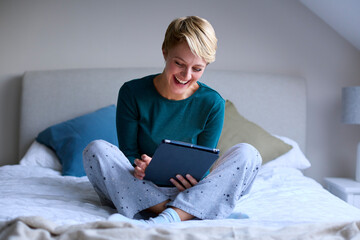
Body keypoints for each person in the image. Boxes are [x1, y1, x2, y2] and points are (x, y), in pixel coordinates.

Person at [83, 16, 262, 225]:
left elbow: (204, 163)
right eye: (179, 63)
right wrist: (143, 167)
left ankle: (168, 216)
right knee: (96, 149)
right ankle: (184, 212)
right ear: (165, 52)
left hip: (190, 188)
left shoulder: (213, 103)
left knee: (249, 154)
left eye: (197, 69)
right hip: (140, 184)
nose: (186, 75)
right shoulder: (132, 92)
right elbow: (128, 154)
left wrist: (194, 179)